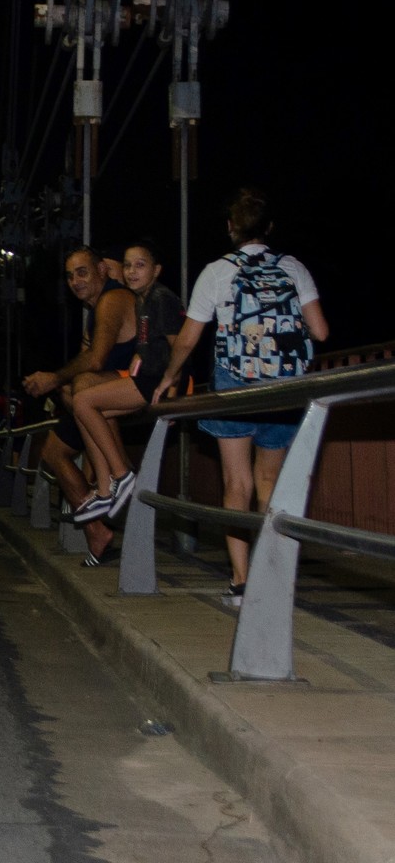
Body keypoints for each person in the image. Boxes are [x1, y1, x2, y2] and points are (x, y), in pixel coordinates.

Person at [152, 188, 328, 604]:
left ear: (230, 228)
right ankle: (275, 576)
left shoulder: (216, 271)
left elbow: (189, 339)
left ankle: (241, 581)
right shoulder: (293, 267)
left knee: (237, 482)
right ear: (269, 228)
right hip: (282, 386)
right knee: (270, 481)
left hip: (235, 382)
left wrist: (169, 379)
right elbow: (320, 332)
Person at [21, 246, 138, 566]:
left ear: (102, 270)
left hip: (120, 391)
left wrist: (54, 379)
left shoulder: (113, 300)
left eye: (82, 272)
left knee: (79, 391)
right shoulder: (96, 309)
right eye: (70, 276)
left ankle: (116, 478)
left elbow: (96, 359)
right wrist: (60, 384)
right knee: (53, 454)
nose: (75, 281)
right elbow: (86, 361)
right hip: (95, 398)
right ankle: (98, 529)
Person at [70, 241, 186, 526]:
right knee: (93, 409)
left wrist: (172, 388)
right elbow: (148, 346)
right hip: (145, 377)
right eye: (128, 265)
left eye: (140, 265)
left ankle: (122, 476)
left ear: (157, 270)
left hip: (156, 381)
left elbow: (180, 346)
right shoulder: (143, 300)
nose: (132, 271)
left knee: (83, 402)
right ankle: (105, 490)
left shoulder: (161, 298)